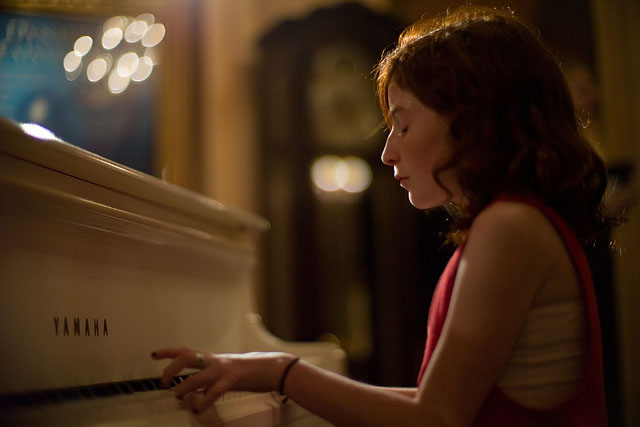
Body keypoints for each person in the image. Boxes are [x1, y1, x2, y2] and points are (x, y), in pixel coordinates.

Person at [152, 6, 615, 426]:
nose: (389, 151)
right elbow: (451, 402)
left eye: (404, 122)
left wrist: (283, 372)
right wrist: (274, 373)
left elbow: (436, 418)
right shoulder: (517, 223)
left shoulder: (509, 227)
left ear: (471, 120)